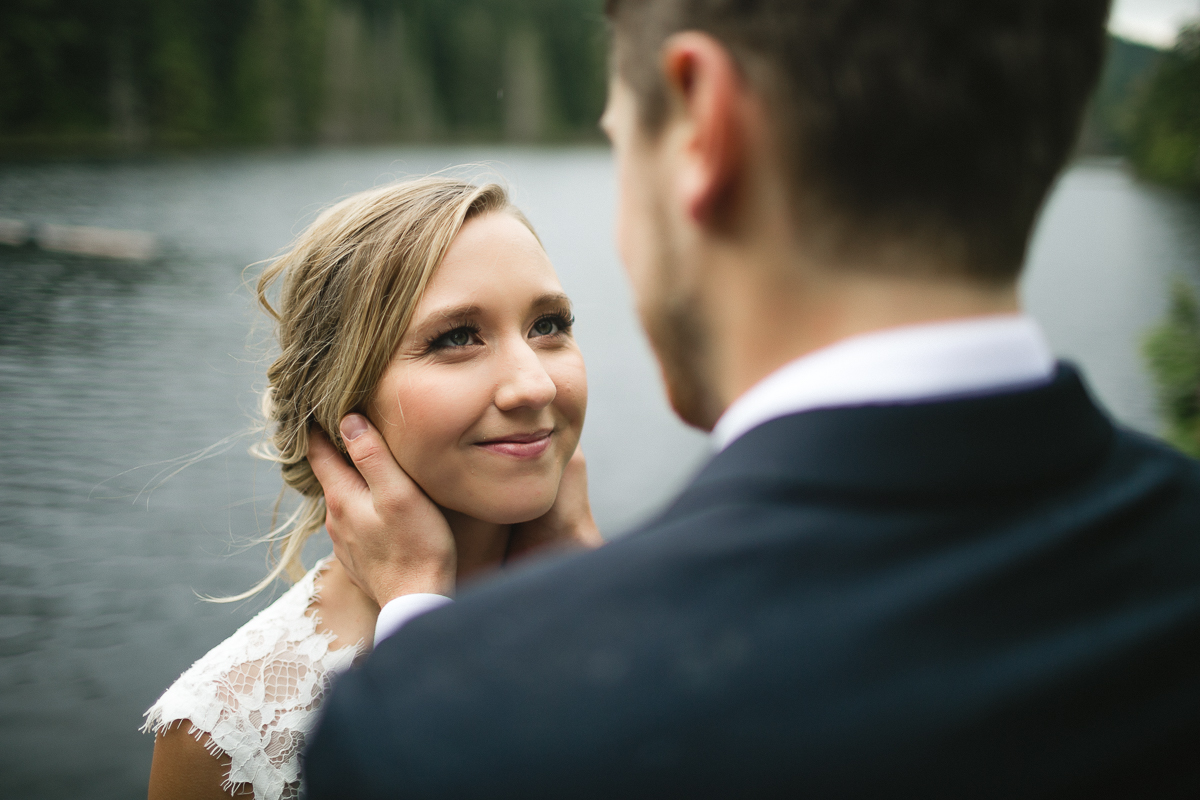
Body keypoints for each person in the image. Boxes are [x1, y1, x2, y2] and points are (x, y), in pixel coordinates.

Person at [305, 0, 1200, 797]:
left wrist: (439, 640)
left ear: (702, 125)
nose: (534, 380)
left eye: (624, 148)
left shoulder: (442, 719)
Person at [141, 178, 600, 800]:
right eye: (457, 337)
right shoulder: (232, 733)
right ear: (343, 399)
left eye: (548, 325)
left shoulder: (648, 607)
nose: (535, 386)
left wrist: (593, 601)